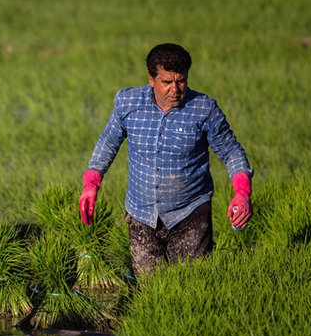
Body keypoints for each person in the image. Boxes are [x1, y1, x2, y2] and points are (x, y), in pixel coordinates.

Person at [79, 43, 252, 279]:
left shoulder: (204, 109)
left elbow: (231, 151)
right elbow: (108, 142)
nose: (175, 89)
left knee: (193, 285)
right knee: (151, 290)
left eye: (181, 81)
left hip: (190, 213)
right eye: (167, 82)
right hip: (141, 214)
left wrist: (242, 192)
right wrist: (91, 185)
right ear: (151, 79)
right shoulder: (128, 103)